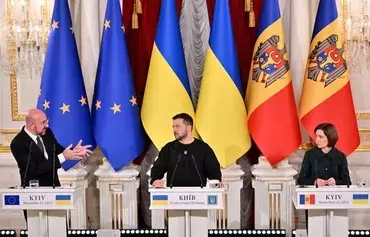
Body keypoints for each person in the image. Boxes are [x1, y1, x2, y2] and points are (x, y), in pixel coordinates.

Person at [10, 109, 93, 188]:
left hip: (54, 188)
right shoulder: (18, 143)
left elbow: (57, 149)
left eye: (46, 121)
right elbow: (35, 169)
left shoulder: (47, 133)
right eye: (43, 123)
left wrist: (75, 151)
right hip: (33, 192)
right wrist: (63, 157)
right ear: (32, 126)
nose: (47, 125)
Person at [150, 113, 222, 188]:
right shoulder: (169, 148)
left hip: (199, 196)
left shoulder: (203, 148)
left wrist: (216, 183)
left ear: (189, 127)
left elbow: (214, 172)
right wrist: (155, 180)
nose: (174, 130)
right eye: (173, 127)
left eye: (177, 126)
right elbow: (157, 169)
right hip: (173, 196)